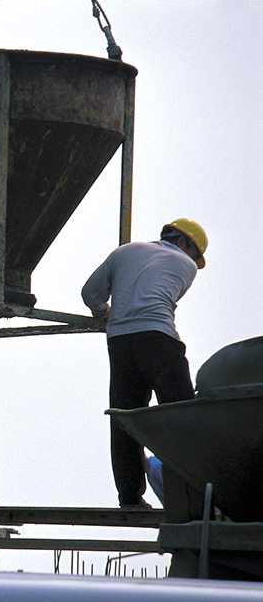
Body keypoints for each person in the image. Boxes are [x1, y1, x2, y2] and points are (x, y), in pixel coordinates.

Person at [81, 218, 208, 509]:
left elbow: (90, 294)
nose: (194, 260)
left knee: (127, 419)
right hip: (159, 339)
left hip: (120, 343)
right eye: (194, 253)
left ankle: (130, 498)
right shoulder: (185, 265)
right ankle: (190, 498)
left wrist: (103, 312)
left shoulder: (123, 252)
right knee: (181, 417)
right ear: (182, 243)